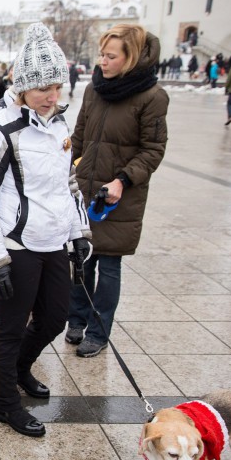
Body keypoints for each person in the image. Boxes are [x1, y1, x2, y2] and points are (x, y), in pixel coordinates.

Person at [0, 24, 90, 438]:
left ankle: (20, 368)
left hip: (53, 240)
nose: (53, 97)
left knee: (55, 318)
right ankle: (6, 404)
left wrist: (79, 234)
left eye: (57, 87)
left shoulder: (58, 125)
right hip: (15, 246)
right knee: (9, 327)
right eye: (43, 89)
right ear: (22, 88)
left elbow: (68, 185)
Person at [66, 23, 169, 358]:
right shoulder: (93, 90)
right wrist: (65, 166)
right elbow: (79, 136)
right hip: (85, 191)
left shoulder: (152, 97)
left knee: (108, 267)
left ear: (131, 59)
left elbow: (153, 149)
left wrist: (123, 180)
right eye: (102, 54)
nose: (103, 61)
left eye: (111, 56)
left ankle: (98, 330)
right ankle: (77, 318)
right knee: (81, 261)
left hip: (118, 197)